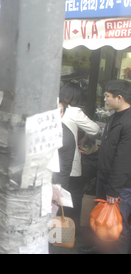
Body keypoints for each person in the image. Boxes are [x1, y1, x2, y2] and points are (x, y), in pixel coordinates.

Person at [80, 80, 131, 254]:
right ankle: (100, 248)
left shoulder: (128, 122)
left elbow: (124, 160)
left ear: (119, 97)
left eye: (107, 96)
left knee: (118, 224)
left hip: (120, 186)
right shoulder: (113, 117)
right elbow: (110, 148)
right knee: (102, 220)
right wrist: (94, 151)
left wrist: (114, 190)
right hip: (105, 178)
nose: (105, 100)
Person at [59, 82, 99, 226]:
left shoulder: (55, 108)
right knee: (71, 195)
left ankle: (55, 228)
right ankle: (68, 228)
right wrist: (86, 136)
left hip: (53, 162)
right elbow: (95, 129)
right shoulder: (74, 111)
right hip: (69, 163)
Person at [52, 102, 77, 191]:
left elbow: (65, 168)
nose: (57, 114)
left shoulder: (67, 136)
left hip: (52, 183)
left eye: (61, 111)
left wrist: (60, 190)